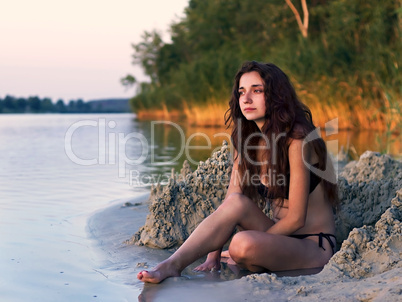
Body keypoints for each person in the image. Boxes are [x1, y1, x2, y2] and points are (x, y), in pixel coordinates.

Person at [137, 61, 339, 283]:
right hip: (277, 236)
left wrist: (251, 243)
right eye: (242, 92)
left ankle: (249, 253)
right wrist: (213, 254)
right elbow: (231, 202)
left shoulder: (297, 139)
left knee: (241, 244)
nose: (246, 98)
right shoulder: (247, 141)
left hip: (312, 246)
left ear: (277, 96)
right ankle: (171, 265)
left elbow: (296, 219)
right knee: (236, 203)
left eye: (257, 91)